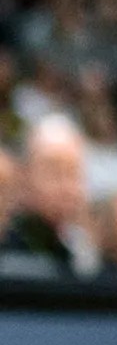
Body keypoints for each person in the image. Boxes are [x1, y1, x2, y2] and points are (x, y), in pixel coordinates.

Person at [0, 113, 97, 279]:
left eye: (73, 173)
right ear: (23, 175)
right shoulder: (6, 246)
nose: (67, 188)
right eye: (54, 172)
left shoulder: (80, 253)